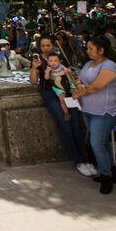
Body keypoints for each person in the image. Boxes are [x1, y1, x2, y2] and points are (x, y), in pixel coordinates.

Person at [29, 35, 95, 177]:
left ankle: (87, 160)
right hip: (51, 94)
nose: (45, 48)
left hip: (69, 93)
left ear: (53, 45)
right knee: (65, 126)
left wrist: (76, 86)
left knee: (77, 126)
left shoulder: (60, 58)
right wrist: (34, 68)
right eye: (43, 46)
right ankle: (78, 161)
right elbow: (33, 82)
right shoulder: (38, 61)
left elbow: (70, 76)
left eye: (48, 45)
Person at [74, 36, 116, 194]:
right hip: (88, 110)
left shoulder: (110, 66)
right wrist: (78, 86)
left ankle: (106, 177)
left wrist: (82, 90)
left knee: (96, 144)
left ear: (101, 50)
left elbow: (98, 86)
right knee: (103, 143)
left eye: (91, 49)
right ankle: (111, 171)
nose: (88, 52)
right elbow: (80, 81)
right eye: (87, 48)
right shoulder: (88, 64)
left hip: (105, 112)